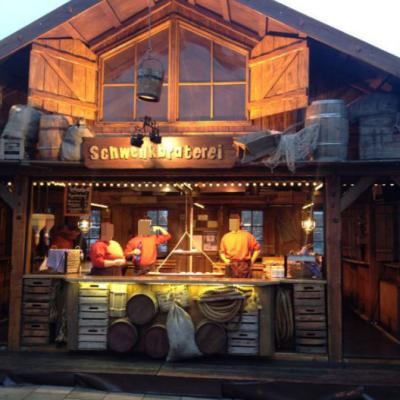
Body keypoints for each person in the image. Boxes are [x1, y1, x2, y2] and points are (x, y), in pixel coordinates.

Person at [219, 214, 261, 278]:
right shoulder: (225, 237)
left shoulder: (247, 236)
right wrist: (225, 260)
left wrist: (252, 261)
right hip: (231, 265)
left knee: (245, 284)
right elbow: (221, 252)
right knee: (230, 284)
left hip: (244, 266)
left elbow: (257, 249)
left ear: (240, 223)